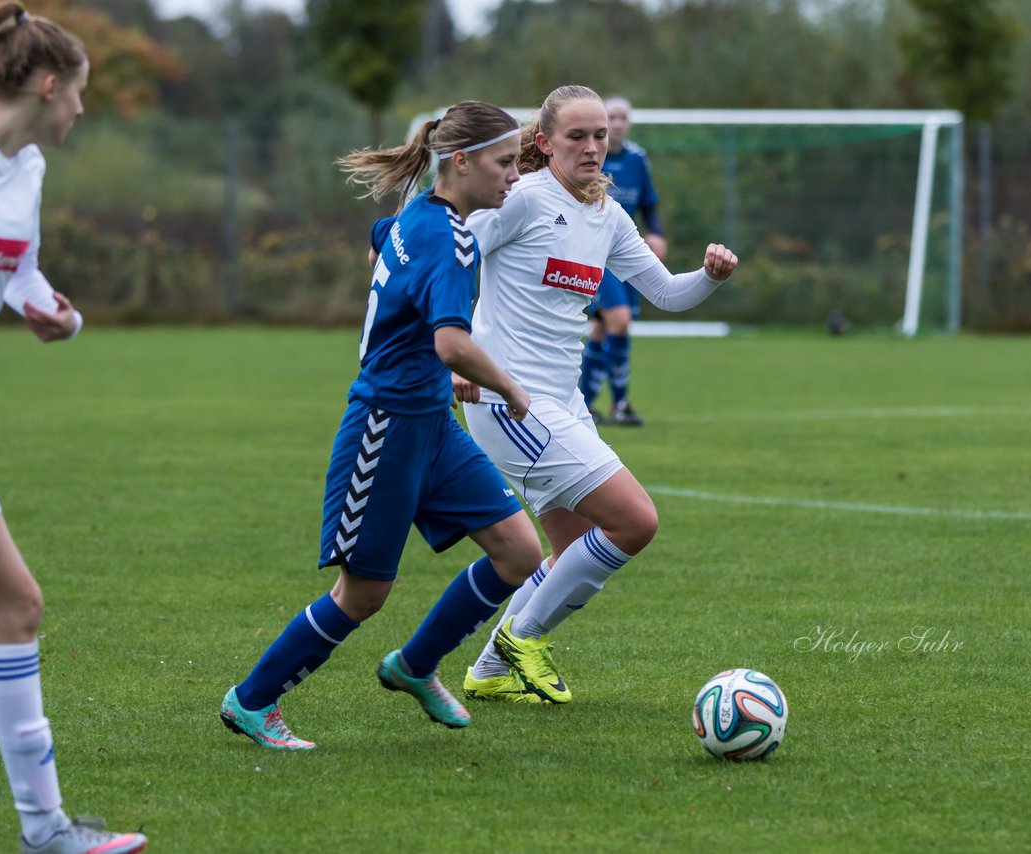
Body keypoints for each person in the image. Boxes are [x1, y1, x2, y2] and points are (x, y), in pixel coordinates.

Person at [219, 100, 548, 750]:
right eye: (505, 162)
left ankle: (415, 665)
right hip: (387, 429)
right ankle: (251, 701)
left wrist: (416, 358)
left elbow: (385, 260)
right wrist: (507, 385)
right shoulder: (450, 238)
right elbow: (453, 340)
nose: (515, 175)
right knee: (363, 593)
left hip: (433, 423)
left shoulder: (412, 218)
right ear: (461, 162)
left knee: (520, 551)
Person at [0, 4, 147, 853]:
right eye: (80, 92)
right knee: (15, 604)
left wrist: (47, 308)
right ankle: (46, 829)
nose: (84, 109)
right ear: (49, 84)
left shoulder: (28, 168)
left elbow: (14, 262)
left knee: (12, 605)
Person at [457, 85, 738, 704]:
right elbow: (453, 258)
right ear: (544, 143)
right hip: (510, 402)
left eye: (599, 136)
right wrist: (449, 354)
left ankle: (489, 670)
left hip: (563, 402)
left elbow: (665, 293)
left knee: (568, 548)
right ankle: (522, 637)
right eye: (576, 137)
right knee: (635, 521)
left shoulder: (607, 216)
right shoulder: (524, 199)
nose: (591, 148)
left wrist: (709, 277)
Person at [578, 95, 667, 426]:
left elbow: (649, 204)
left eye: (621, 117)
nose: (616, 123)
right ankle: (620, 404)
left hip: (625, 255)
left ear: (629, 122)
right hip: (595, 257)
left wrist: (656, 233)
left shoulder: (637, 159)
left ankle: (585, 405)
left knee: (602, 329)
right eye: (610, 118)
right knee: (620, 320)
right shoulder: (589, 158)